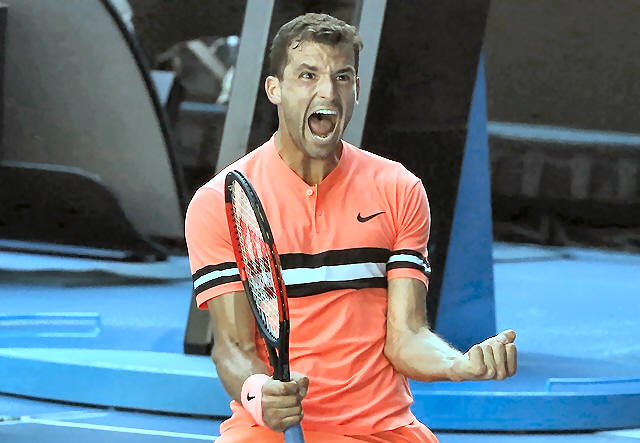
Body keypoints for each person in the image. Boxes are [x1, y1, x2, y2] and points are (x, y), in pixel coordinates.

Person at [185, 13, 517, 443]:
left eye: (342, 77)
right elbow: (234, 349)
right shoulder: (218, 204)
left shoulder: (398, 189)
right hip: (270, 431)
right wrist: (259, 393)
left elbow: (406, 338)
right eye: (308, 75)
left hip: (382, 429)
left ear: (356, 88)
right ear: (275, 89)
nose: (328, 91)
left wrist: (459, 365)